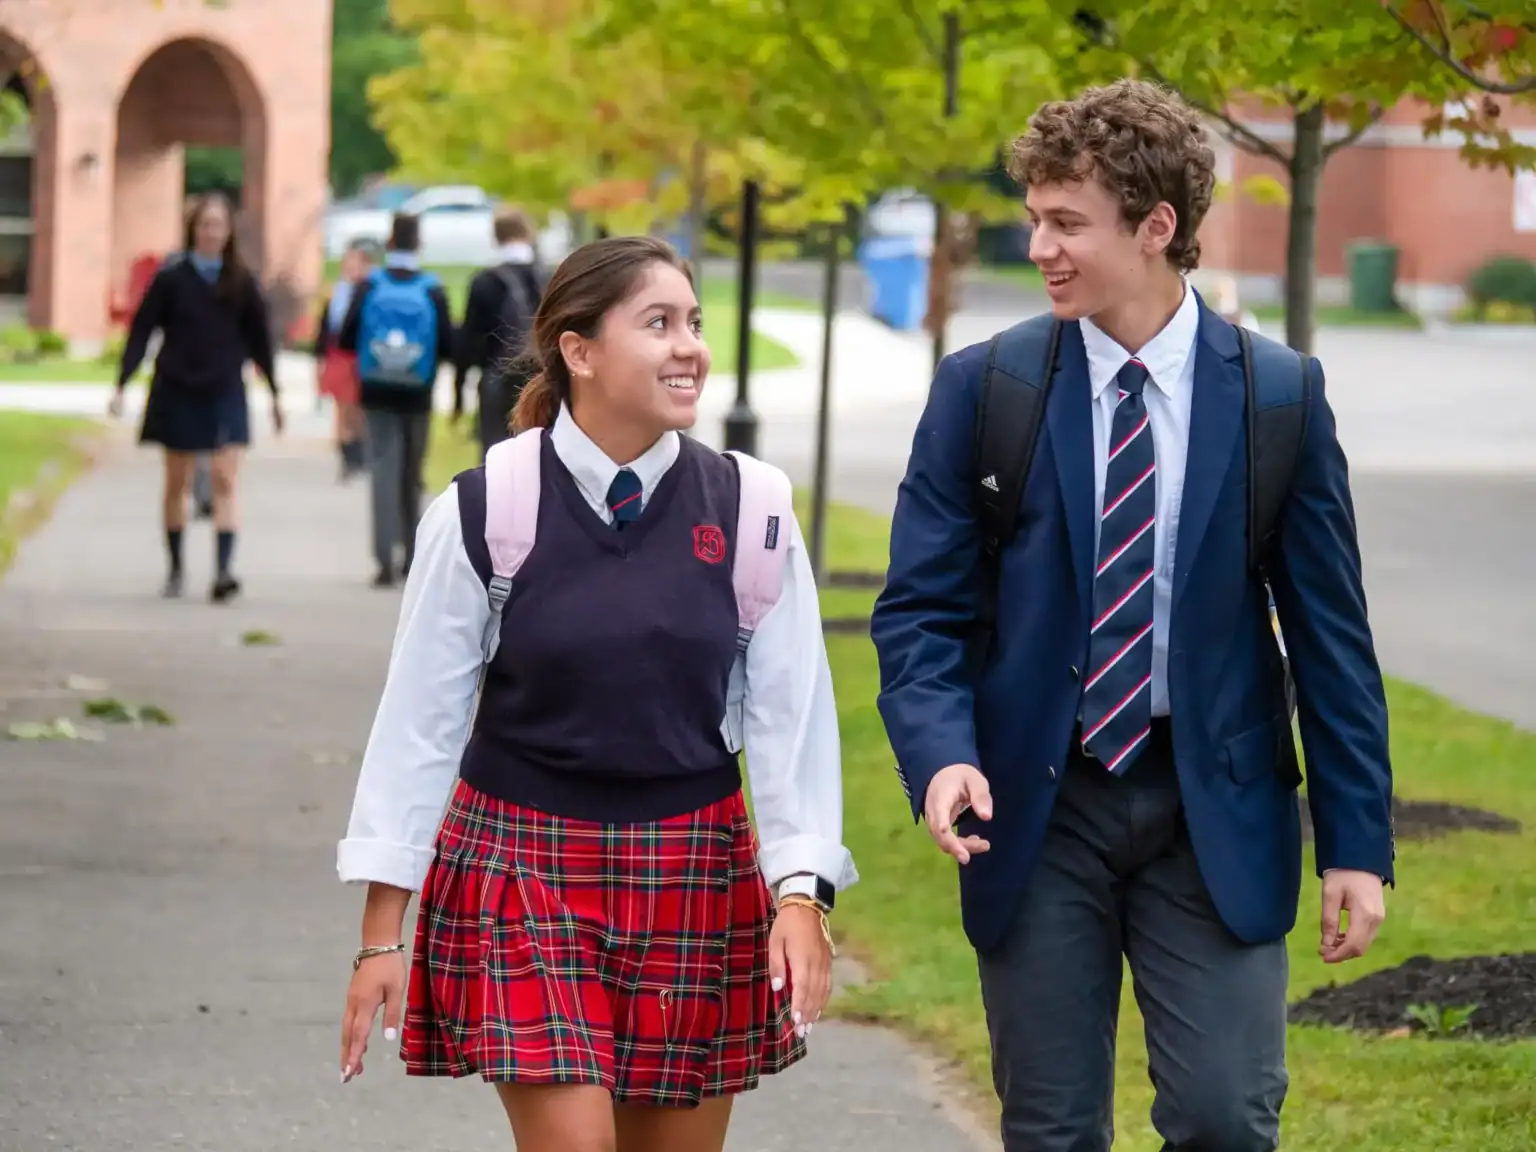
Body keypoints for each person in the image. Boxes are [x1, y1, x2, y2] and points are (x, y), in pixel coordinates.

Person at [869, 79, 1394, 1152]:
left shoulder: (1278, 396)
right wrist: (939, 757)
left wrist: (1356, 844)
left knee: (1224, 1119)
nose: (1041, 247)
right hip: (1037, 805)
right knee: (1053, 1130)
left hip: (1215, 808)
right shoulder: (986, 390)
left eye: (1067, 223)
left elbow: (1330, 637)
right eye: (1034, 219)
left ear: (1157, 227)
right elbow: (919, 612)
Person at [336, 235, 855, 1152]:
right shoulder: (484, 506)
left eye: (693, 322)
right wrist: (384, 933)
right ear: (579, 351)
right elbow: (418, 726)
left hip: (692, 872)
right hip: (521, 868)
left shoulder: (755, 509)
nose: (689, 346)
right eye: (658, 324)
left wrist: (800, 897)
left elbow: (789, 723)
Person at [109, 191, 282, 602]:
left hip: (224, 388)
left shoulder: (241, 282)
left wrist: (275, 393)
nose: (211, 233)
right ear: (193, 230)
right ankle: (175, 567)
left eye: (218, 226)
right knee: (177, 482)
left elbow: (261, 341)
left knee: (225, 478)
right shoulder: (172, 279)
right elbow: (142, 330)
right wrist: (122, 382)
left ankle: (223, 572)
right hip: (178, 387)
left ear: (228, 233)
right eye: (205, 225)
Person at [336, 213, 454, 587]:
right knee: (412, 473)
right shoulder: (432, 288)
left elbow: (344, 337)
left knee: (383, 470)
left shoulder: (370, 285)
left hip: (376, 390)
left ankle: (383, 557)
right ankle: (412, 554)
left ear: (389, 244)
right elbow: (450, 343)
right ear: (419, 245)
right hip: (418, 392)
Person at [452, 206, 548, 459]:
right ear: (528, 233)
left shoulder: (485, 281)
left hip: (496, 378)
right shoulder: (548, 277)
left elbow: (469, 340)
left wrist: (458, 392)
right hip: (543, 382)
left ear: (496, 237)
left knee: (495, 460)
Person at [315, 239, 377, 481]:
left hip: (360, 356)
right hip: (339, 356)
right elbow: (325, 329)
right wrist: (319, 359)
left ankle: (358, 452)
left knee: (359, 410)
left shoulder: (369, 291)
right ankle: (348, 457)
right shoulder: (336, 293)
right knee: (342, 408)